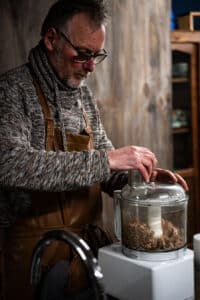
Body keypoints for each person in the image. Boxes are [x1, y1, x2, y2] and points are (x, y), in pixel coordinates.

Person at [0, 0, 188, 299]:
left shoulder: (83, 97)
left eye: (96, 55)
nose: (90, 66)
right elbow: (9, 164)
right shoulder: (11, 91)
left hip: (88, 254)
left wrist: (140, 180)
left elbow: (105, 173)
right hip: (33, 259)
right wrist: (107, 159)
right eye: (83, 54)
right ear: (51, 40)